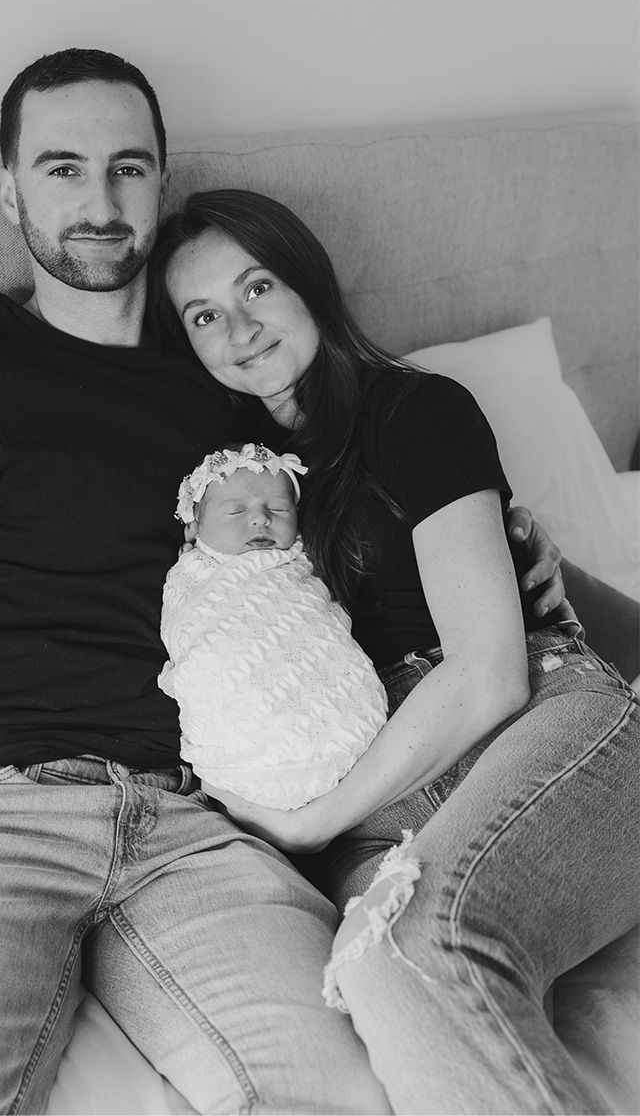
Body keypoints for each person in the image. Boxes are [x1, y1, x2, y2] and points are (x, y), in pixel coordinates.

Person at [0, 49, 563, 1114]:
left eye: (127, 168)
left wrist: (533, 557)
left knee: (345, 1098)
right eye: (60, 169)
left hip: (204, 824)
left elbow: (391, 484)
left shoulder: (232, 372)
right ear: (7, 189)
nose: (98, 201)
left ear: (161, 182)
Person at [146, 187, 640, 1115]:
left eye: (257, 288)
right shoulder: (234, 483)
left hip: (533, 718)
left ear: (309, 285)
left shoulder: (414, 412)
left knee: (417, 940)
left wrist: (312, 823)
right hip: (391, 785)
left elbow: (490, 669)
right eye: (206, 315)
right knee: (380, 967)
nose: (241, 328)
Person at [159, 442, 388, 809]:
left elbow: (317, 617)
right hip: (246, 746)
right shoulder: (192, 574)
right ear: (193, 526)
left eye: (278, 509)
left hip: (348, 726)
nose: (260, 519)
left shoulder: (300, 562)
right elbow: (191, 636)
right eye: (236, 511)